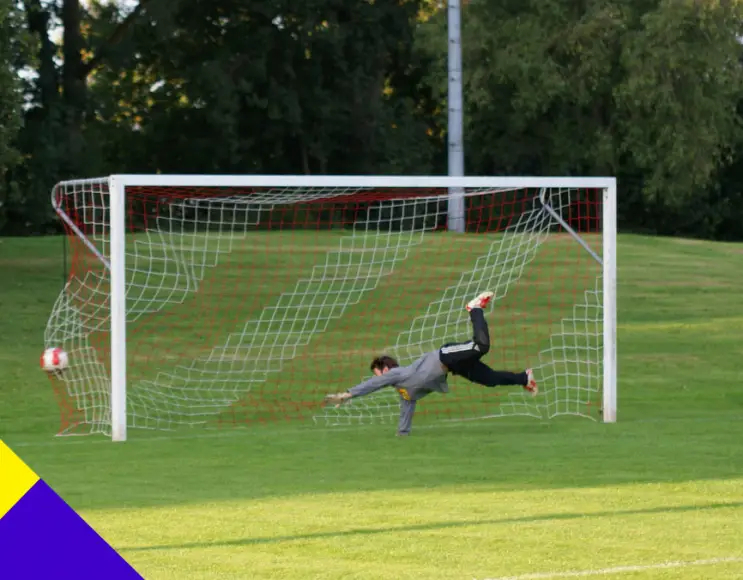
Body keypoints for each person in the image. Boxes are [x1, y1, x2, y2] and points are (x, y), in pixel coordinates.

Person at [323, 291, 538, 436]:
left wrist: (348, 394)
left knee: (481, 346)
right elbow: (407, 408)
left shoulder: (396, 375)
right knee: (489, 380)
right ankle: (524, 378)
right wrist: (402, 435)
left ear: (385, 369)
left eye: (377, 372)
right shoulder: (404, 390)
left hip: (446, 356)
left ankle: (475, 309)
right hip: (454, 366)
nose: (378, 377)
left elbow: (371, 385)